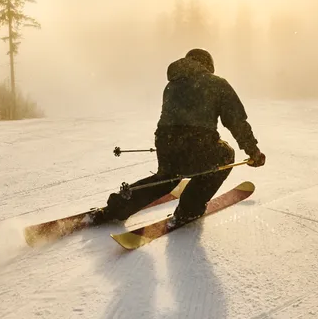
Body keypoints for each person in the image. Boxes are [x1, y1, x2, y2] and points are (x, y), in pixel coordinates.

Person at [89, 48, 266, 227]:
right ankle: (189, 210)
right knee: (224, 156)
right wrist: (253, 151)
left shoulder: (172, 85)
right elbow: (236, 121)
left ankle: (115, 209)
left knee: (166, 178)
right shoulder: (216, 83)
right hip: (197, 142)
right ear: (208, 65)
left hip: (165, 141)